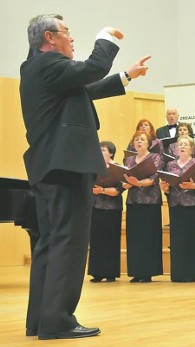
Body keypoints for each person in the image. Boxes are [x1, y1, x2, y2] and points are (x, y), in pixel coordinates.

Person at [20, 14, 149, 339]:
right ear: (50, 38)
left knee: (50, 243)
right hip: (66, 165)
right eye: (67, 33)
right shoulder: (50, 64)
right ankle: (59, 321)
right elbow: (92, 69)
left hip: (49, 165)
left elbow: (85, 88)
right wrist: (106, 38)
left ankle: (41, 319)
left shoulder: (37, 68)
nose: (72, 39)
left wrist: (126, 76)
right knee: (69, 242)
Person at [159, 135, 195, 282]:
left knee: (192, 239)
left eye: (186, 144)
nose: (182, 146)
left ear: (192, 149)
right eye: (180, 144)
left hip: (193, 205)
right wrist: (165, 189)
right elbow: (169, 187)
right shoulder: (170, 165)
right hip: (176, 204)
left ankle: (194, 273)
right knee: (178, 240)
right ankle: (179, 273)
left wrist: (193, 186)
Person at [122, 131, 164, 284]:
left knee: (148, 237)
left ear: (148, 143)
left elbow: (154, 179)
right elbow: (125, 179)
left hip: (150, 201)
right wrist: (126, 183)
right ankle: (136, 271)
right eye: (136, 140)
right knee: (135, 237)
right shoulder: (129, 159)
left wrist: (137, 183)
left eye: (142, 140)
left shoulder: (156, 157)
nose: (139, 142)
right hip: (133, 201)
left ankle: (148, 272)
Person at [88, 141, 123, 283]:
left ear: (111, 153)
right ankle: (97, 272)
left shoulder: (118, 168)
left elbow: (119, 190)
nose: (100, 152)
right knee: (96, 240)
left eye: (103, 150)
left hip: (112, 208)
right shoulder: (94, 167)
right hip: (96, 206)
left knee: (111, 240)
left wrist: (102, 190)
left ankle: (111, 273)